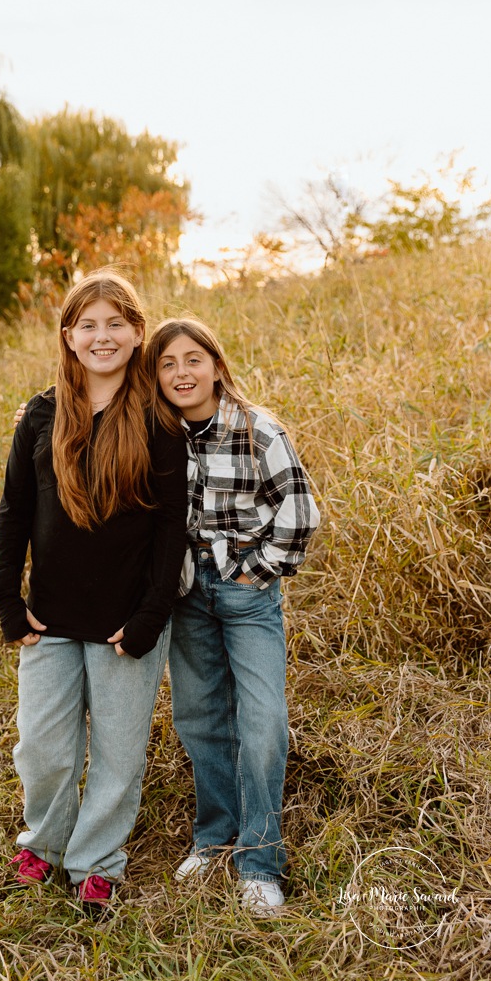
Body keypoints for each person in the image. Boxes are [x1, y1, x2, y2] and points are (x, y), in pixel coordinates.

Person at [0, 269, 187, 912]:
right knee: (43, 747)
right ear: (69, 337)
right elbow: (14, 511)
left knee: (119, 754)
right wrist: (7, 600)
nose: (102, 336)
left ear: (136, 335)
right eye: (88, 325)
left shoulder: (159, 422)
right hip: (48, 617)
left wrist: (152, 613)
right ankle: (42, 844)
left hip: (126, 622)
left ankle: (97, 861)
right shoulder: (41, 415)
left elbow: (169, 527)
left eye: (116, 324)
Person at [144, 317, 320, 916]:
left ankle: (260, 861)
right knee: (199, 717)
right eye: (167, 364)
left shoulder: (256, 430)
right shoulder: (159, 434)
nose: (181, 373)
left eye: (193, 360)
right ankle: (214, 839)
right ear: (156, 377)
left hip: (247, 596)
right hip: (186, 594)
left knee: (264, 721)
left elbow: (300, 511)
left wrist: (257, 570)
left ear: (216, 366)